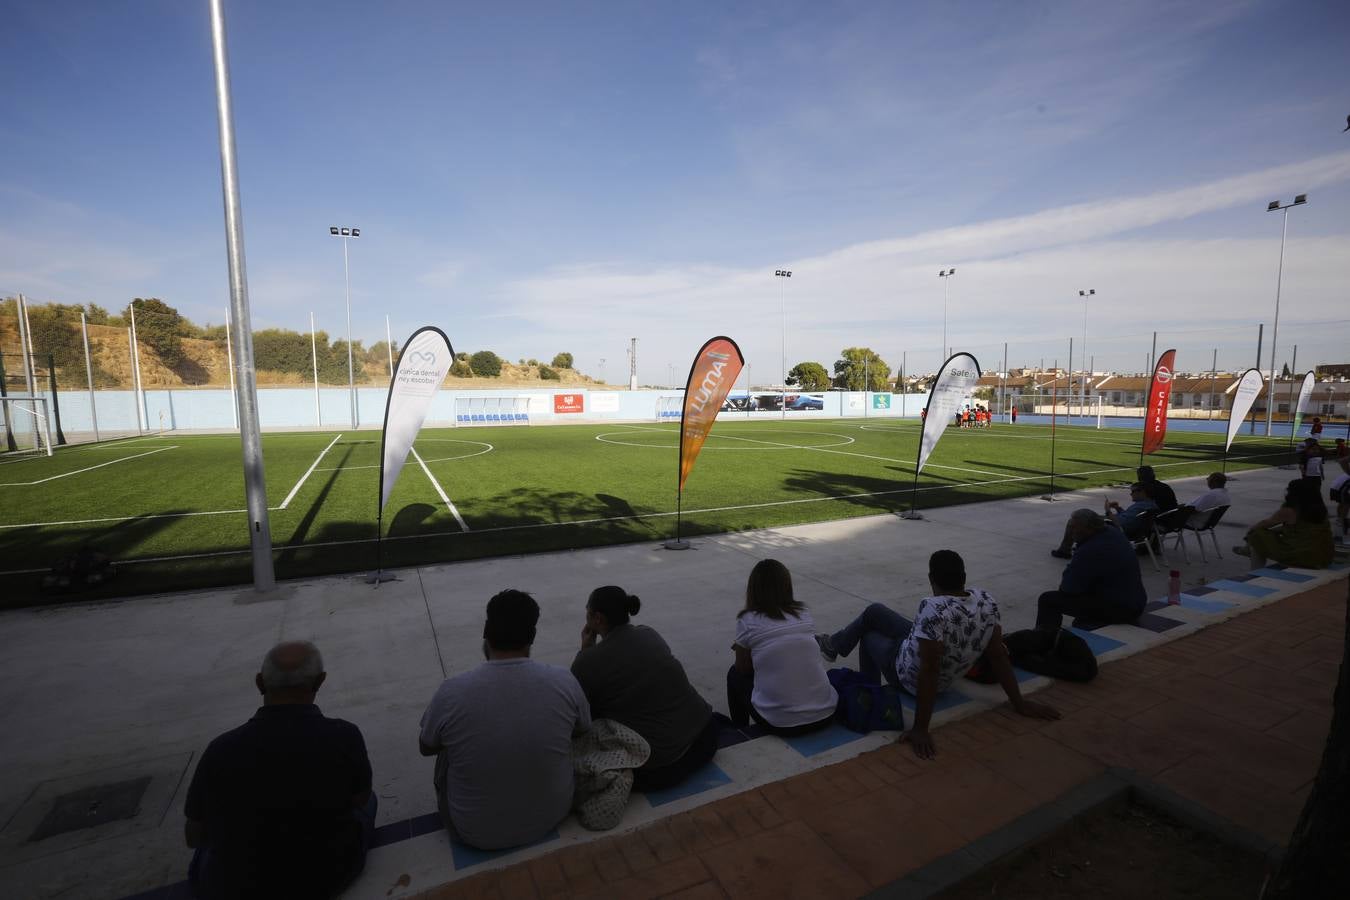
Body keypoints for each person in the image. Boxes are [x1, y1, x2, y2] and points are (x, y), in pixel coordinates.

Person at [815, 550, 1059, 759]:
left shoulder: (932, 608)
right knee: (874, 611)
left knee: (868, 637)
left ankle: (869, 695)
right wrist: (1019, 702)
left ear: (931, 579)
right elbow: (998, 655)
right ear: (964, 577)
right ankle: (834, 645)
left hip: (907, 676)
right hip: (922, 649)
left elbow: (929, 669)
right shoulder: (986, 600)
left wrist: (921, 728)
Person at [184, 642, 375, 899]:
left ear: (260, 683)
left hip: (235, 887)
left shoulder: (221, 749)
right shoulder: (344, 736)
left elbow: (194, 835)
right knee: (369, 801)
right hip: (327, 876)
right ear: (320, 682)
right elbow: (360, 798)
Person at [419, 589, 590, 850]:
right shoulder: (562, 680)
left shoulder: (452, 691)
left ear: (486, 631)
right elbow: (582, 729)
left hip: (474, 831)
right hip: (553, 815)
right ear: (532, 636)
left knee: (447, 746)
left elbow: (426, 746)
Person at [572, 585, 718, 792]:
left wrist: (585, 651)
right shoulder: (649, 634)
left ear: (597, 619)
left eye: (587, 611)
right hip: (706, 737)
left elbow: (577, 715)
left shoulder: (587, 662)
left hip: (663, 765)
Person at [727, 559, 837, 735]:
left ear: (753, 588)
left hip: (781, 723)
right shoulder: (803, 613)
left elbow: (743, 669)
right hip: (825, 713)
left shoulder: (748, 620)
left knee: (734, 675)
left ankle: (741, 732)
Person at [1038, 509, 1148, 630]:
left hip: (1120, 609)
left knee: (1048, 600)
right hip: (1135, 601)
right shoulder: (1112, 532)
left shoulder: (1091, 550)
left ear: (1088, 528)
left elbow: (1068, 588)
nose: (1070, 532)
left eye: (1074, 528)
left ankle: (1045, 639)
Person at [1234, 479, 1335, 570]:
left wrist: (1249, 534)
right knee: (1263, 535)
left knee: (1256, 535)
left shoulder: (1290, 510)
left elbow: (1264, 524)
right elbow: (1301, 529)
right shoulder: (1321, 510)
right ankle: (1247, 549)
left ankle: (1254, 568)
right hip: (1323, 556)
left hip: (1301, 556)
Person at [1051, 482, 1156, 558]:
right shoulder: (1148, 505)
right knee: (1082, 517)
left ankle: (1066, 550)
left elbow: (1119, 523)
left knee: (1075, 521)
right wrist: (1118, 508)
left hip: (1118, 529)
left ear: (1142, 492)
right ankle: (1082, 547)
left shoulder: (1140, 507)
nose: (1131, 494)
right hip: (1129, 530)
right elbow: (1130, 518)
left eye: (1133, 491)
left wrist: (1107, 511)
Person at [1328, 470, 1349, 537]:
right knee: (1347, 503)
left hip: (1333, 488)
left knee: (1342, 502)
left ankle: (1339, 519)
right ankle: (1342, 521)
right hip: (1339, 489)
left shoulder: (1347, 472)